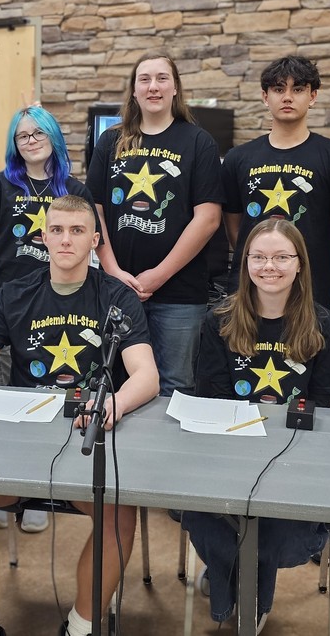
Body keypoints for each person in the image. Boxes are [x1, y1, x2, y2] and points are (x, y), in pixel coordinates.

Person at [0, 195, 159, 636]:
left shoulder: (117, 297)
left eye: (77, 231)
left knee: (119, 513)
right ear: (43, 237)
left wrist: (111, 404)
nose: (66, 239)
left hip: (84, 434)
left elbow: (146, 375)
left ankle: (80, 625)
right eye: (56, 230)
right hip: (21, 436)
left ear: (95, 240)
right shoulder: (16, 293)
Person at [185, 219, 330, 633]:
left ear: (299, 265)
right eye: (258, 257)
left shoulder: (325, 325)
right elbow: (213, 403)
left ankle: (242, 590)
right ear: (245, 264)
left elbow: (323, 409)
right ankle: (239, 589)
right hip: (228, 457)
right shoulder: (217, 321)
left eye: (280, 257)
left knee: (273, 528)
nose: (269, 266)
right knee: (209, 515)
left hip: (293, 462)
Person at [0, 105, 98, 533]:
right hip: (7, 312)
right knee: (4, 405)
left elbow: (91, 249)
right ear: (14, 143)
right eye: (22, 135)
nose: (30, 141)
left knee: (48, 400)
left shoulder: (75, 189)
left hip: (60, 310)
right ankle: (7, 489)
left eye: (37, 133)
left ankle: (42, 493)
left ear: (53, 137)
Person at [86, 50, 224, 397]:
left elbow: (207, 218)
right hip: (116, 289)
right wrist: (113, 270)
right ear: (133, 91)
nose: (153, 87)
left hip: (179, 295)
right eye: (144, 79)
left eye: (162, 78)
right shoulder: (110, 141)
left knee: (175, 386)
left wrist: (159, 275)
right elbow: (95, 211)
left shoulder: (198, 142)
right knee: (112, 383)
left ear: (175, 88)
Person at [222, 55, 330, 310]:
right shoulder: (237, 158)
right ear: (265, 97)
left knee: (306, 350)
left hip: (311, 290)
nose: (287, 97)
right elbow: (234, 224)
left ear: (313, 96)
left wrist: (313, 264)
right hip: (249, 290)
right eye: (278, 89)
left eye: (298, 89)